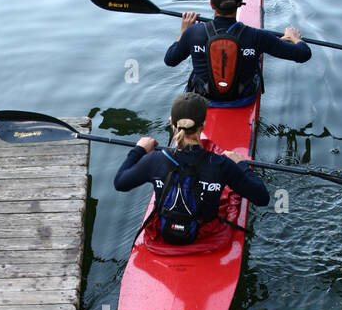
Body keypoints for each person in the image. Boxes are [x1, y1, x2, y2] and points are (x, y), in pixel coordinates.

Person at [113, 92, 269, 248]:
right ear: (203, 125)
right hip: (204, 234)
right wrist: (241, 164)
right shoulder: (221, 164)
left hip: (165, 231)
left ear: (171, 123)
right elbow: (262, 198)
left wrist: (139, 149)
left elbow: (120, 183)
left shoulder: (154, 160)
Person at [164, 0, 310, 106]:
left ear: (211, 5)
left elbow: (170, 60)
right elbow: (303, 54)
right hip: (243, 98)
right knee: (257, 53)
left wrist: (183, 32)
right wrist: (295, 38)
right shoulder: (258, 36)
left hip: (202, 98)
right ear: (240, 4)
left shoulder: (193, 33)